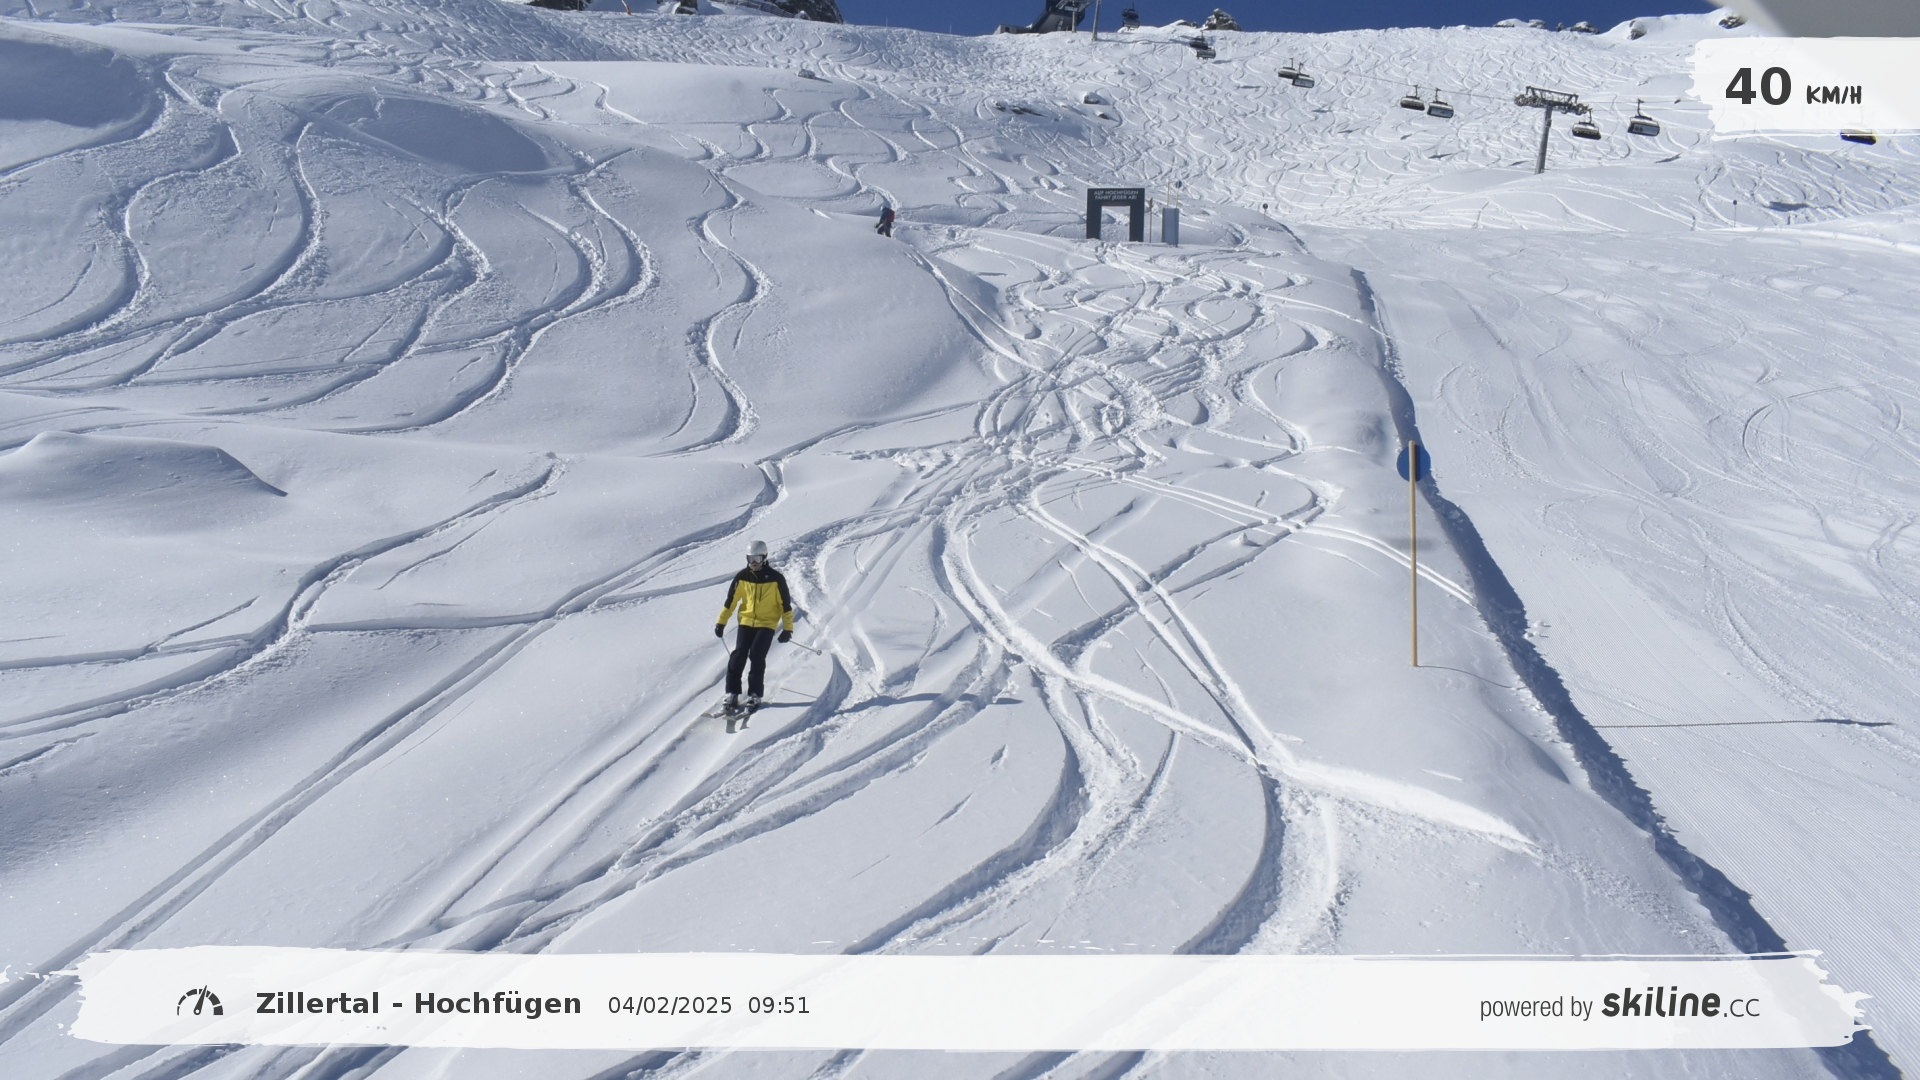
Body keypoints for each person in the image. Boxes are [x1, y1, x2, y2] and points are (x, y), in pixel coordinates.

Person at [714, 539, 794, 710]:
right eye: (750, 559)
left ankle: (755, 694)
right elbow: (731, 601)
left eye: (757, 559)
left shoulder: (776, 579)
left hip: (767, 623)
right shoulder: (742, 577)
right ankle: (732, 693)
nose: (754, 563)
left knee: (757, 655)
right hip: (746, 621)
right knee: (738, 655)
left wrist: (788, 628)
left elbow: (785, 605)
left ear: (764, 557)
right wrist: (721, 622)